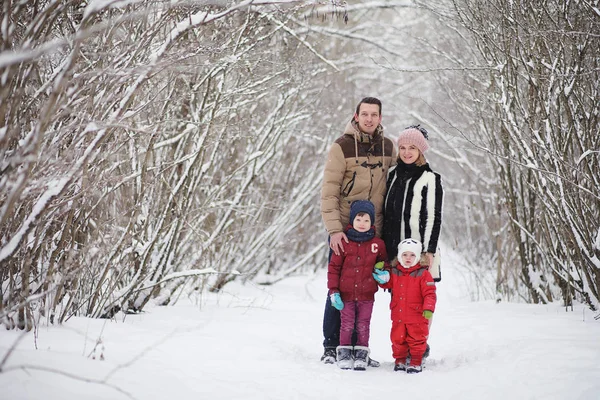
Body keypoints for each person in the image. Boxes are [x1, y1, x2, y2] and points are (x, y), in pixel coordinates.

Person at [320, 97, 396, 365]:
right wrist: (334, 231)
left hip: (373, 234)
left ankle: (359, 349)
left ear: (380, 118)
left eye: (374, 114)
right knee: (338, 288)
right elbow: (328, 192)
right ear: (356, 115)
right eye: (365, 114)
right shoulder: (341, 146)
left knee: (364, 293)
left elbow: (394, 187)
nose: (369, 119)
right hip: (345, 232)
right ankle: (331, 346)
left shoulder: (388, 147)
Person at [381, 124, 443, 359]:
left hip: (421, 252)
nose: (407, 152)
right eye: (403, 147)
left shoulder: (430, 179)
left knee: (420, 301)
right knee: (401, 302)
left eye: (412, 148)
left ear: (421, 151)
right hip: (396, 252)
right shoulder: (393, 175)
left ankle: (419, 346)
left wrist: (429, 251)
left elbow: (434, 216)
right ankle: (403, 347)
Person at [327, 200, 388, 370]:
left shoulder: (378, 244)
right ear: (352, 220)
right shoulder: (344, 243)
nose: (362, 224)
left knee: (363, 324)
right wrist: (333, 291)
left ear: (372, 222)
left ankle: (362, 354)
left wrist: (384, 275)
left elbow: (384, 264)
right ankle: (344, 353)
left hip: (367, 294)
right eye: (359, 219)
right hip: (345, 294)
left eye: (366, 220)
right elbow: (334, 268)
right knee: (346, 324)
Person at [373, 238, 436, 373]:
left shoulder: (423, 274)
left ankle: (416, 361)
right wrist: (381, 274)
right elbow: (386, 283)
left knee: (417, 339)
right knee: (397, 339)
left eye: (412, 255)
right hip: (398, 315)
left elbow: (430, 293)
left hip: (417, 316)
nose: (408, 258)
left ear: (418, 257)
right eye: (405, 255)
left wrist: (428, 308)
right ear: (400, 256)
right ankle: (400, 360)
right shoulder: (395, 272)